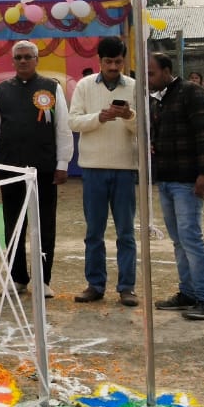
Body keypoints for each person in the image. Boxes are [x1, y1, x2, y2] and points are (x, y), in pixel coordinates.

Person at [0, 40, 71, 298]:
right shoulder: (1, 90)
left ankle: (43, 280)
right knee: (13, 225)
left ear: (36, 60)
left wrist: (62, 163)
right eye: (18, 57)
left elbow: (62, 127)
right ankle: (17, 278)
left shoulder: (52, 87)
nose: (22, 61)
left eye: (27, 57)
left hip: (44, 168)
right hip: (9, 167)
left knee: (45, 225)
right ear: (13, 61)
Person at [148, 52, 204, 321]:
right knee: (179, 240)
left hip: (188, 179)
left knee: (190, 238)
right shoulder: (158, 98)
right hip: (166, 178)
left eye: (152, 73)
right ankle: (188, 293)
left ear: (167, 71)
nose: (148, 78)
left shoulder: (192, 92)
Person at [68, 37, 139, 307]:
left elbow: (143, 127)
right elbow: (73, 122)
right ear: (99, 61)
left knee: (126, 232)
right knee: (94, 232)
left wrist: (129, 116)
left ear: (124, 61)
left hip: (125, 168)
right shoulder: (84, 85)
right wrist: (99, 117)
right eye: (108, 62)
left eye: (118, 62)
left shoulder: (134, 86)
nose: (113, 67)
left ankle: (127, 287)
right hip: (93, 168)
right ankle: (95, 285)